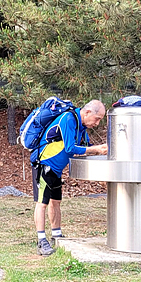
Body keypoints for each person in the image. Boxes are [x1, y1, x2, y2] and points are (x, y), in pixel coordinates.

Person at [31, 99, 108, 256]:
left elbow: (85, 147)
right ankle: (41, 240)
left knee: (56, 201)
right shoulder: (68, 119)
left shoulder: (81, 126)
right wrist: (96, 150)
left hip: (57, 170)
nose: (97, 123)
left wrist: (98, 150)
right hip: (45, 164)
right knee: (42, 203)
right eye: (97, 119)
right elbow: (70, 148)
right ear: (87, 112)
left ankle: (56, 235)